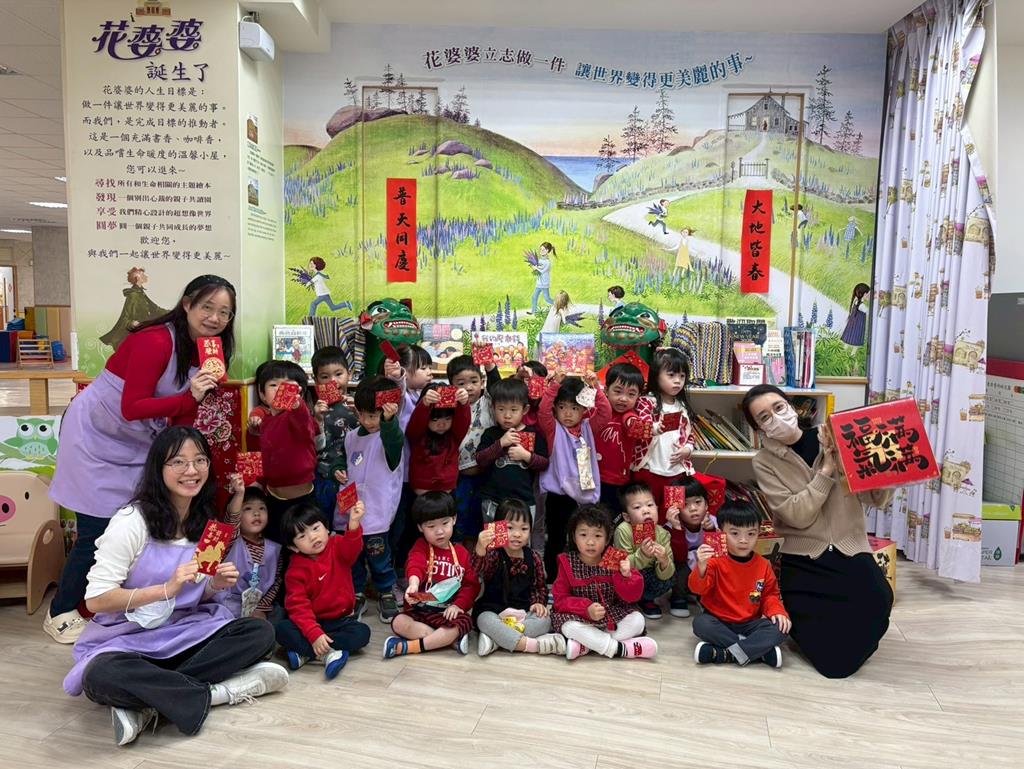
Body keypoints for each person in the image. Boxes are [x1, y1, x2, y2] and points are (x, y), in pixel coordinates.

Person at [62, 427, 288, 746]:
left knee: (260, 632)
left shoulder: (207, 522)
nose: (191, 470)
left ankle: (148, 702)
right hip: (128, 638)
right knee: (100, 676)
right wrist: (165, 589)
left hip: (185, 630)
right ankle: (217, 692)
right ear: (159, 467)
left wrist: (214, 584)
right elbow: (97, 600)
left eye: (200, 460)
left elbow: (198, 593)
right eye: (178, 462)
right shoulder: (131, 521)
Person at [46, 274, 235, 644]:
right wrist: (189, 399)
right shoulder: (154, 340)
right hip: (95, 436)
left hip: (139, 441)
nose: (214, 318)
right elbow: (131, 407)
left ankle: (127, 602)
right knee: (97, 530)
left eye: (225, 312)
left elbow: (182, 415)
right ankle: (61, 613)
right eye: (207, 307)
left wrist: (183, 452)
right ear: (187, 304)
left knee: (147, 517)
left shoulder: (208, 352)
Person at [741, 384, 894, 678]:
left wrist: (884, 470)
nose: (775, 417)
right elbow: (796, 515)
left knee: (879, 599)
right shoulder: (764, 462)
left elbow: (875, 498)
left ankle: (856, 644)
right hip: (803, 556)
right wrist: (825, 472)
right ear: (759, 429)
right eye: (764, 417)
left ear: (791, 406)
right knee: (830, 663)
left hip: (849, 547)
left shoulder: (834, 436)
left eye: (778, 407)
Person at [275, 501, 372, 680]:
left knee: (362, 633)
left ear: (326, 528)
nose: (313, 537)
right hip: (310, 622)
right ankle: (330, 653)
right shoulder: (295, 570)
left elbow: (353, 549)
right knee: (282, 629)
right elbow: (298, 607)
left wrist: (354, 524)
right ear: (293, 547)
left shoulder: (337, 545)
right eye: (302, 536)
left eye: (315, 528)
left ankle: (306, 652)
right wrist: (314, 634)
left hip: (340, 620)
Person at [689, 501, 789, 667]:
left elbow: (770, 595)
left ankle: (724, 654)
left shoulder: (764, 565)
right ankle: (756, 651)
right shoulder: (714, 561)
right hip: (718, 620)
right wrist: (701, 567)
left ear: (759, 533)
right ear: (721, 533)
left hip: (750, 623)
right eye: (735, 533)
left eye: (751, 534)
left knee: (781, 627)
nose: (743, 540)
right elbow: (697, 589)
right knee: (701, 624)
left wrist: (777, 611)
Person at [551, 504, 657, 661]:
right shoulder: (567, 561)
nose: (590, 542)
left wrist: (627, 576)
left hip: (611, 615)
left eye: (597, 536)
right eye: (583, 535)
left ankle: (587, 645)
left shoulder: (615, 558)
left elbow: (632, 597)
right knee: (568, 626)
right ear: (574, 537)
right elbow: (560, 600)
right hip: (580, 617)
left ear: (607, 538)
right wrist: (586, 609)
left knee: (637, 620)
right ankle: (620, 649)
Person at [383, 492, 481, 658]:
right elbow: (415, 563)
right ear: (420, 527)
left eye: (445, 523)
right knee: (398, 622)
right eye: (431, 526)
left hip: (448, 613)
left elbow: (471, 585)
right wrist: (413, 583)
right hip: (420, 611)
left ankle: (408, 647)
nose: (439, 531)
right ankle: (446, 640)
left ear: (454, 519)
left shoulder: (462, 553)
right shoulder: (421, 546)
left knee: (464, 622)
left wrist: (458, 606)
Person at [537, 371, 612, 579]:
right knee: (556, 539)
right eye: (562, 407)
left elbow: (605, 413)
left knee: (580, 539)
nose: (568, 413)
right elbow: (543, 411)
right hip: (559, 496)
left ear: (584, 410)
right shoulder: (553, 428)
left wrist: (595, 387)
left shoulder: (588, 427)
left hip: (585, 495)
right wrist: (554, 386)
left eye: (574, 408)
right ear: (555, 408)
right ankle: (553, 579)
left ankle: (578, 578)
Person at [344, 376, 404, 623]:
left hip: (377, 513)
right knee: (354, 557)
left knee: (379, 556)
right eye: (362, 415)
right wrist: (338, 470)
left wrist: (388, 421)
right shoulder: (351, 437)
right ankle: (356, 592)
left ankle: (386, 591)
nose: (367, 421)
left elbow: (393, 440)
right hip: (351, 513)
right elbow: (344, 462)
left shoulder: (390, 438)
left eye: (373, 416)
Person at [471, 498, 564, 656]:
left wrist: (538, 603)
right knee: (483, 619)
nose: (517, 534)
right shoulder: (493, 554)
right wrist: (480, 548)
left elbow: (539, 587)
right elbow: (477, 571)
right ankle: (533, 645)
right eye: (510, 528)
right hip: (493, 611)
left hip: (522, 614)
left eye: (524, 528)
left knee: (545, 620)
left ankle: (497, 640)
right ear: (498, 528)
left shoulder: (534, 557)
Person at [246, 360, 325, 542]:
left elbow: (303, 420)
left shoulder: (299, 417)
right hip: (273, 498)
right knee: (276, 541)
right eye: (274, 385)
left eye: (289, 386)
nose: (281, 389)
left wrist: (297, 405)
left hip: (303, 501)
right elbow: (263, 457)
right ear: (262, 394)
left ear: (300, 393)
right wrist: (257, 483)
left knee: (306, 544)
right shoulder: (265, 423)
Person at [475, 377, 549, 526]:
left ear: (525, 410)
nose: (507, 415)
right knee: (494, 538)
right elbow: (480, 459)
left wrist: (526, 456)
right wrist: (501, 443)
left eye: (513, 410)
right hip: (494, 501)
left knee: (519, 538)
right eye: (501, 409)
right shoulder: (491, 433)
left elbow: (544, 464)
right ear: (493, 408)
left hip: (523, 502)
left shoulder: (533, 434)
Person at [446, 354, 501, 543]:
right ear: (451, 385)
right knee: (460, 516)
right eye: (461, 383)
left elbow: (496, 386)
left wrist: (490, 366)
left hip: (488, 474)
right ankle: (460, 553)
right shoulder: (450, 406)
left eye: (474, 381)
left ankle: (486, 554)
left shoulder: (488, 401)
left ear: (482, 381)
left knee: (486, 517)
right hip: (460, 475)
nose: (468, 387)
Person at [632, 347, 696, 508]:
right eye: (671, 375)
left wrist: (688, 449)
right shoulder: (646, 402)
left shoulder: (682, 406)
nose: (678, 381)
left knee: (674, 511)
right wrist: (654, 428)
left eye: (682, 376)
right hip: (649, 470)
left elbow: (690, 435)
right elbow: (638, 429)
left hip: (676, 472)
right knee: (646, 512)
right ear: (656, 376)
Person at [216, 483, 282, 620]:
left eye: (262, 508)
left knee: (279, 614)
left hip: (259, 608)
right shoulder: (230, 541)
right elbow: (232, 520)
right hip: (226, 605)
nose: (256, 513)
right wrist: (239, 494)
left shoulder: (275, 549)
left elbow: (276, 583)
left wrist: (260, 609)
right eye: (248, 508)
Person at [310, 346, 358, 526]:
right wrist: (318, 419)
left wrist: (360, 413)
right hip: (324, 477)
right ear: (316, 380)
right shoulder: (314, 410)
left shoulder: (358, 405)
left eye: (338, 374)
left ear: (349, 374)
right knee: (324, 521)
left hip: (351, 478)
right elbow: (315, 447)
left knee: (347, 524)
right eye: (325, 376)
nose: (333, 381)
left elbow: (369, 439)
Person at [613, 482, 675, 620]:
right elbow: (621, 564)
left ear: (657, 509)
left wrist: (664, 560)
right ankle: (628, 600)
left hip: (650, 577)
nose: (646, 510)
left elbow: (668, 573)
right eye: (637, 507)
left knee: (671, 574)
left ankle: (646, 600)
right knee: (620, 573)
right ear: (627, 517)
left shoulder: (663, 533)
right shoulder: (623, 530)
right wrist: (643, 554)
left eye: (650, 505)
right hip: (630, 574)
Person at [594, 362, 648, 513]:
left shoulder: (630, 415)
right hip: (592, 476)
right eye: (618, 392)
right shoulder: (599, 412)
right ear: (606, 390)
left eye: (631, 394)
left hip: (617, 480)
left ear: (638, 396)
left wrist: (654, 428)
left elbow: (634, 425)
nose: (623, 399)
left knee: (614, 515)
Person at [663, 476, 718, 618]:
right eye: (685, 504)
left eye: (698, 502)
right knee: (679, 566)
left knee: (716, 564)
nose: (693, 509)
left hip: (705, 563)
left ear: (706, 505)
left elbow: (718, 553)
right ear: (676, 509)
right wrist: (677, 528)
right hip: (683, 565)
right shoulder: (670, 527)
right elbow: (678, 557)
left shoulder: (713, 521)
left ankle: (705, 596)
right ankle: (679, 598)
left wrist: (710, 530)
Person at [406, 382, 471, 494]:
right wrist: (425, 404)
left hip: (447, 492)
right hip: (421, 493)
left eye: (447, 418)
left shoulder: (454, 435)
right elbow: (416, 423)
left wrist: (463, 403)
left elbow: (463, 421)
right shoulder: (417, 435)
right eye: (435, 420)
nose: (441, 424)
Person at [528, 241, 556, 314]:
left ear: (547, 251)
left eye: (543, 250)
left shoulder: (547, 262)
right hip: (539, 283)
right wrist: (533, 266)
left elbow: (542, 271)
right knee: (534, 297)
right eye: (540, 249)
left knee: (547, 299)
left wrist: (535, 268)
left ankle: (558, 304)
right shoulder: (540, 260)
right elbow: (538, 268)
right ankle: (534, 311)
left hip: (544, 284)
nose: (541, 251)